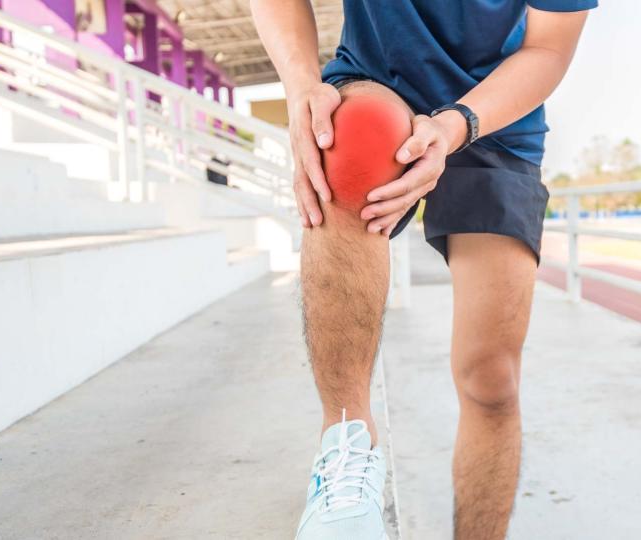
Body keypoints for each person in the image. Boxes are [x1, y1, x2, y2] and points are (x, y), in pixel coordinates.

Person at [250, 1, 595, 539]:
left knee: (492, 381)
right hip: (378, 77)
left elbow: (548, 45)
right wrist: (300, 86)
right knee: (350, 135)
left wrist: (457, 125)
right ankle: (345, 454)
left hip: (495, 114)